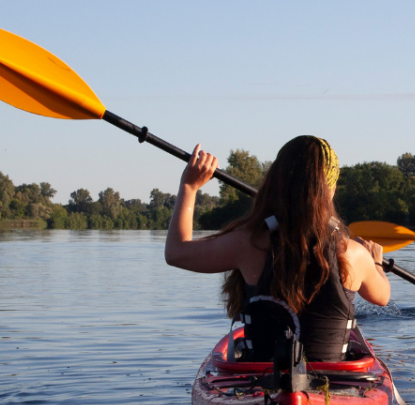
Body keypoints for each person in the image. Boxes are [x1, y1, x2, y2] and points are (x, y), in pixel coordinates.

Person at [164, 135, 389, 363]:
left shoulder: (248, 243)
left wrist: (189, 186)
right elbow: (382, 297)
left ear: (276, 182)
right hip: (334, 385)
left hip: (260, 385)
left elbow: (176, 253)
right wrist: (376, 263)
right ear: (331, 189)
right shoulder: (353, 253)